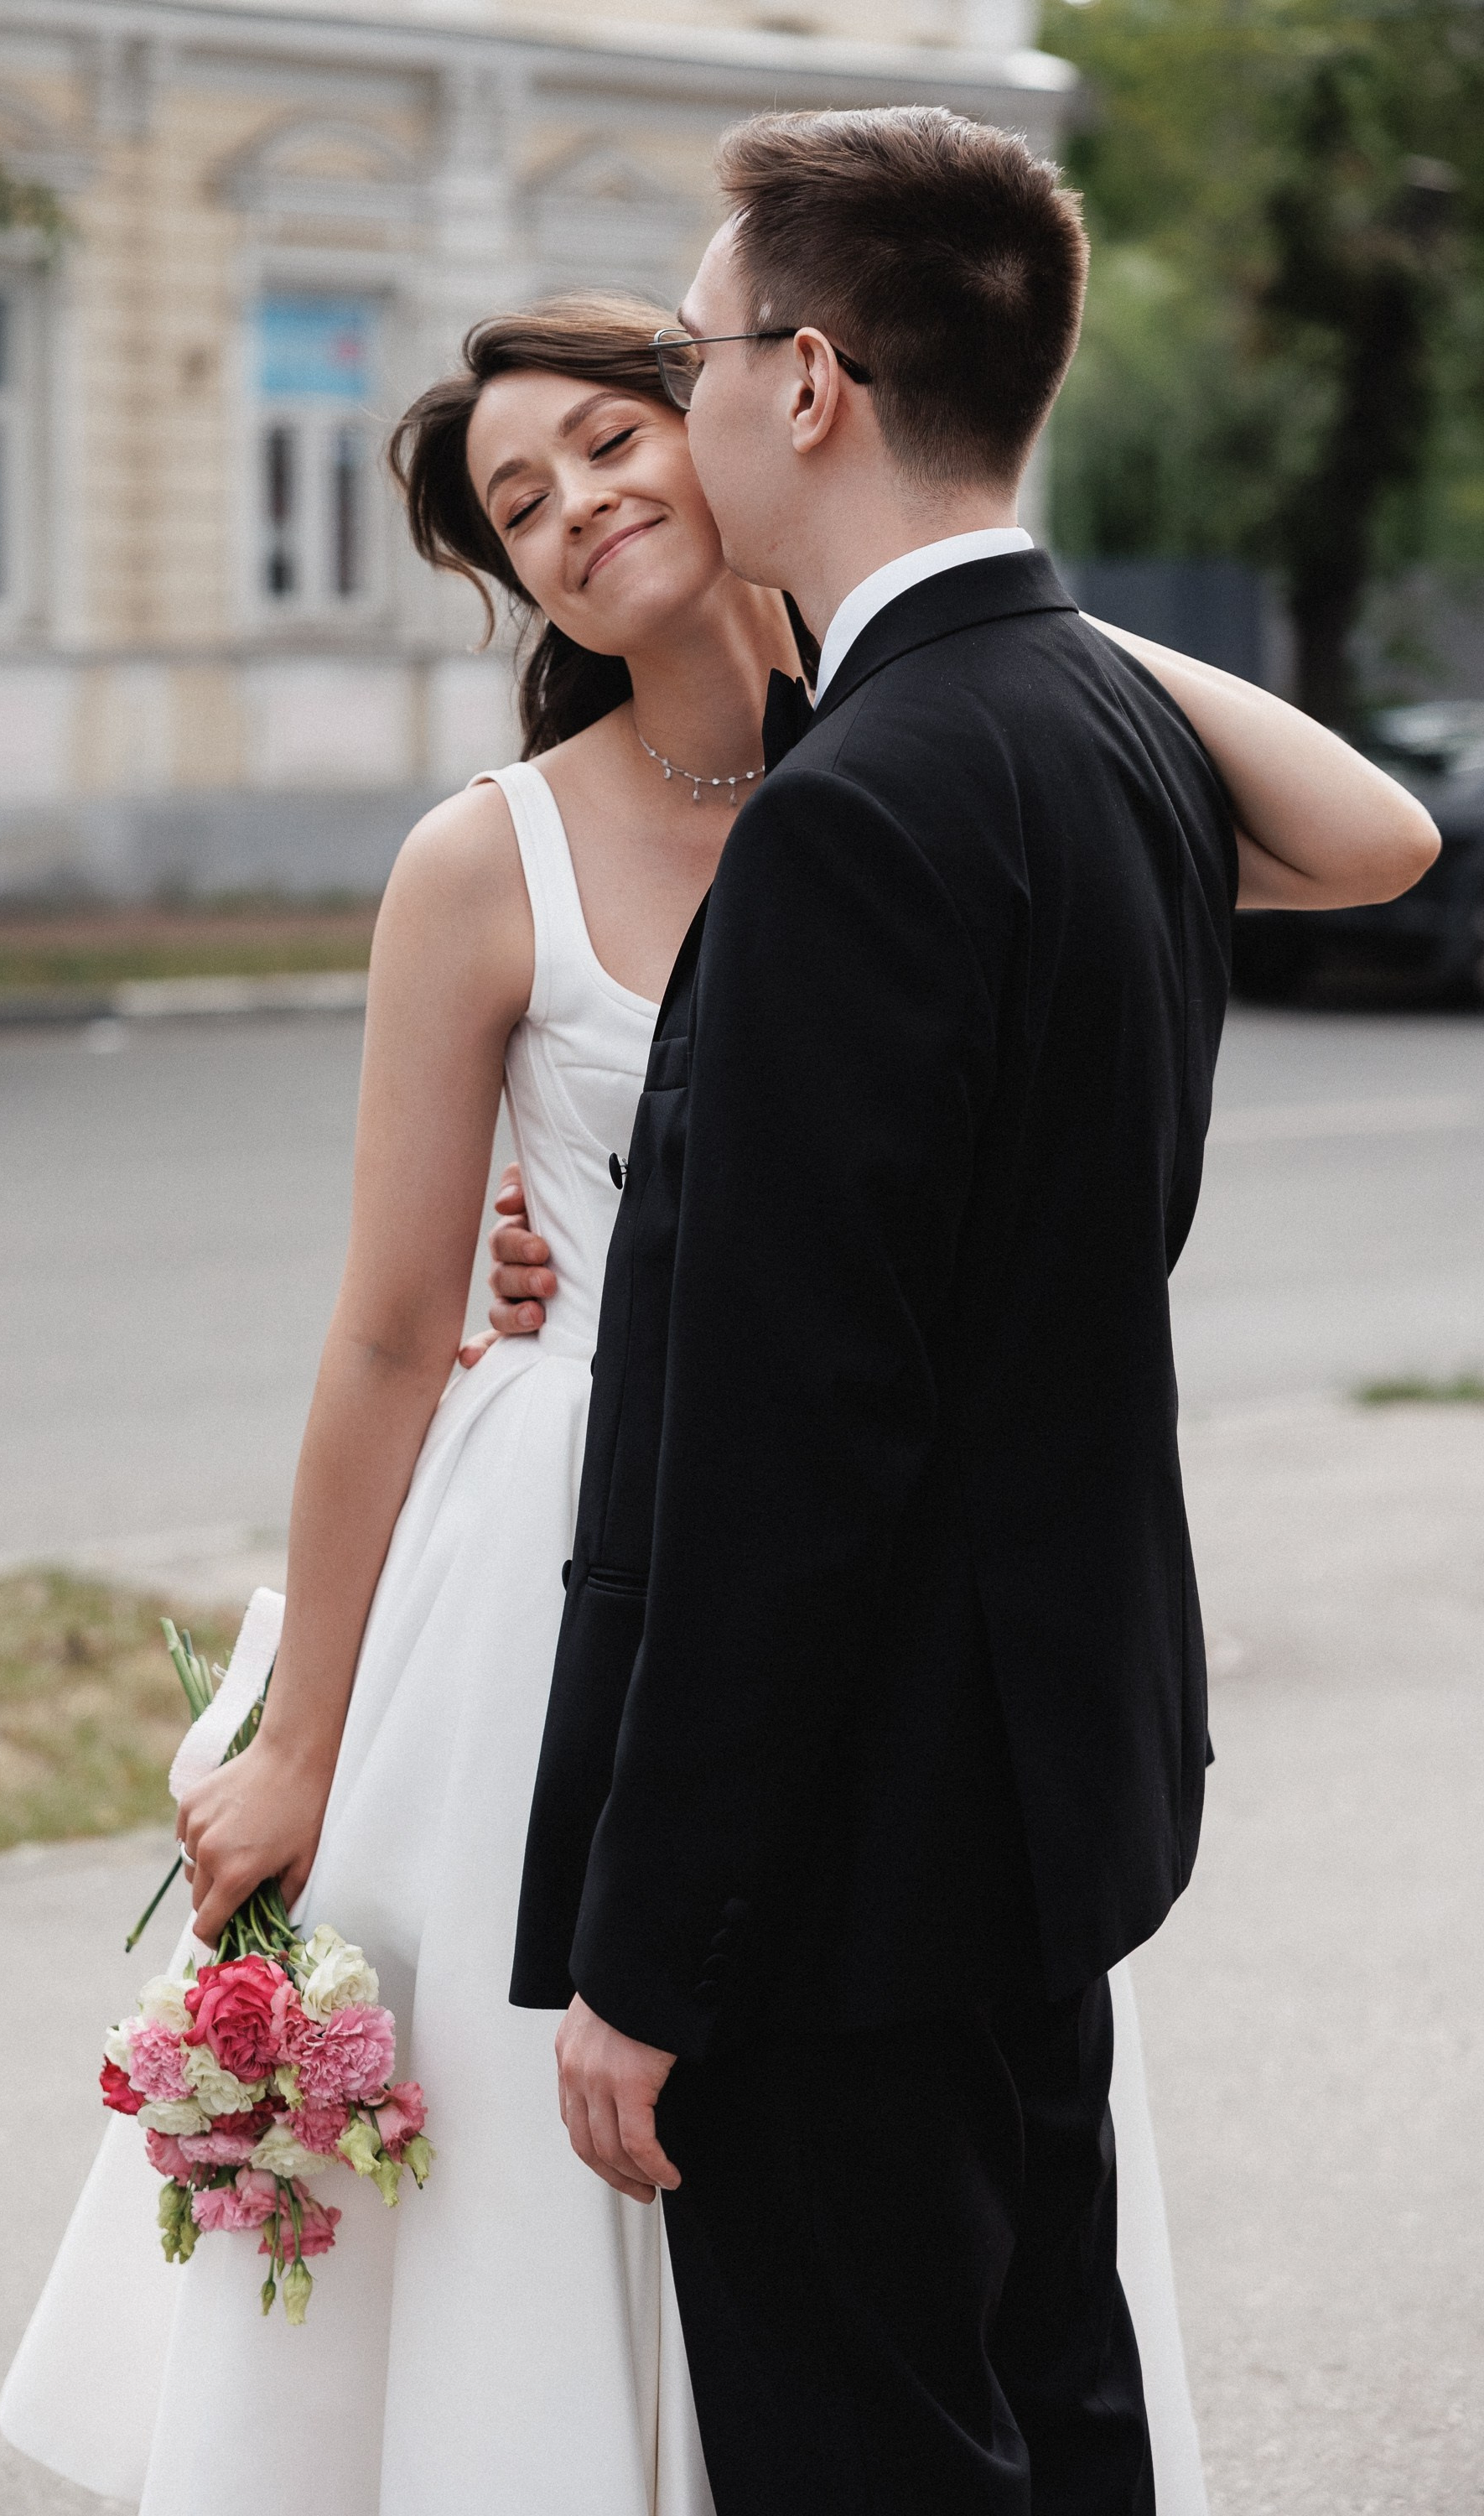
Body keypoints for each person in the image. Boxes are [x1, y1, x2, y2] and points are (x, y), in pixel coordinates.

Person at [0, 265, 1435, 2514]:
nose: (574, 504)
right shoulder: (488, 862)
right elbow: (386, 1334)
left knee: (915, 2233)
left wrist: (978, 600)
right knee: (567, 2196)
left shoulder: (954, 756)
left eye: (612, 437)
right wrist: (299, 1746)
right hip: (572, 1576)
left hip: (909, 1607)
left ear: (758, 421)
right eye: (517, 503)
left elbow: (1367, 841)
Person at [506, 109, 1440, 2516]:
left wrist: (653, 1951)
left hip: (845, 1870)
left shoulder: (859, 807)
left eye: (701, 351)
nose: (683, 398)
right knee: (1059, 2413)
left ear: (807, 384)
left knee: (880, 2458)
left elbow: (789, 1446)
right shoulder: (1107, 733)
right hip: (1040, 1797)